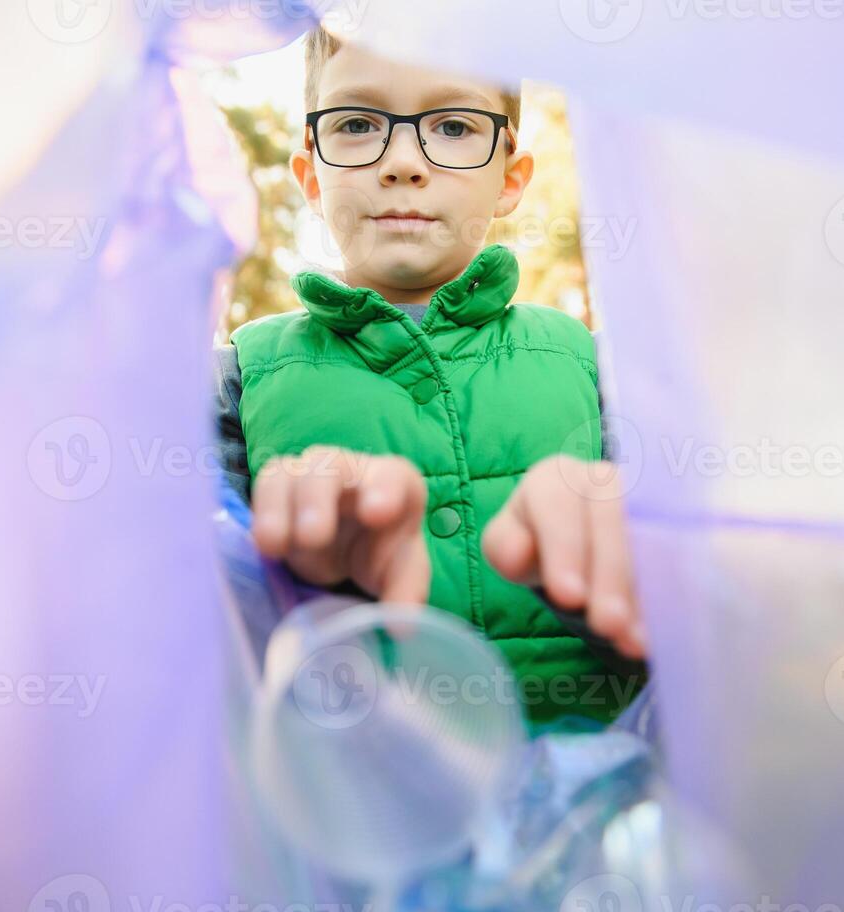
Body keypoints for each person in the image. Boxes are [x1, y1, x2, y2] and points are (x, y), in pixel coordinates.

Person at [213, 26, 646, 726]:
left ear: (509, 178)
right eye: (356, 124)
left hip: (593, 807)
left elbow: (699, 645)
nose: (404, 163)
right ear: (309, 176)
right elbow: (196, 652)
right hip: (352, 816)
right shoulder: (235, 381)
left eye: (451, 126)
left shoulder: (600, 370)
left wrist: (629, 572)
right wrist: (303, 584)